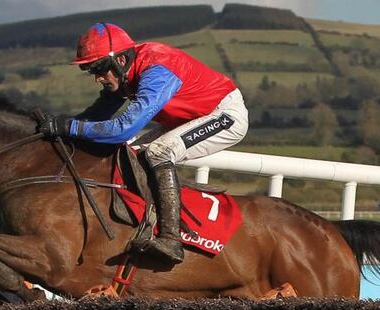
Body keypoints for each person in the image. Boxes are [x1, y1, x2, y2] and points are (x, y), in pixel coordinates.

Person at [37, 22, 249, 264]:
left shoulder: (157, 70)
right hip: (191, 116)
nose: (97, 78)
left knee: (160, 152)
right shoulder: (123, 71)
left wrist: (68, 127)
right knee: (131, 152)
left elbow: (123, 128)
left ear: (120, 60)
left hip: (224, 114)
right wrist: (60, 128)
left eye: (99, 69)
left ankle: (171, 239)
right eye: (91, 71)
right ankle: (146, 223)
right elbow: (98, 115)